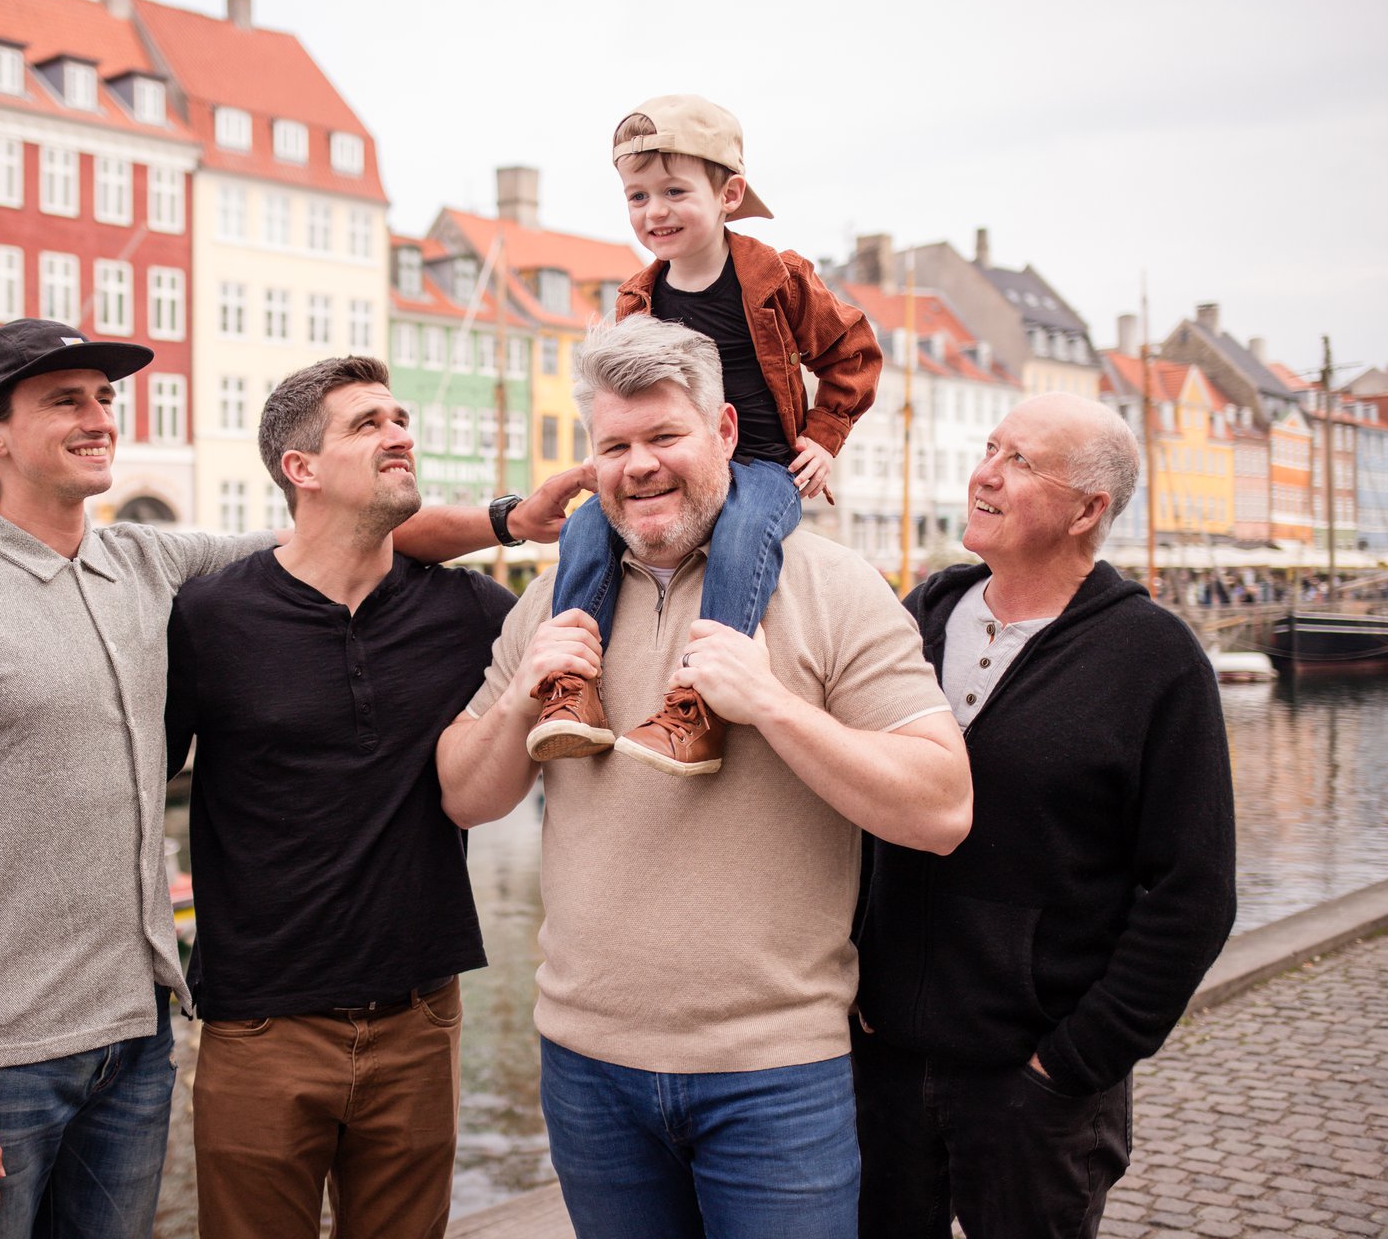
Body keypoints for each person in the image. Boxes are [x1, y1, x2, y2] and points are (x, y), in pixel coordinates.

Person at [0, 318, 577, 1238]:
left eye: (104, 398)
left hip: (135, 1035)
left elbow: (342, 527)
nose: (99, 416)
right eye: (65, 401)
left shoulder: (147, 565)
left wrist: (511, 521)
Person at [438, 315, 972, 1238]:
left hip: (774, 1071)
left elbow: (943, 807)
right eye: (615, 446)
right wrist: (523, 698)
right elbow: (465, 796)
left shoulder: (832, 586)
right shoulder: (554, 600)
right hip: (587, 1064)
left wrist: (772, 706)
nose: (639, 466)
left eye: (664, 436)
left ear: (725, 431)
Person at [851, 393, 1238, 1239]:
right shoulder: (919, 619)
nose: (985, 473)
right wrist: (858, 980)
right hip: (885, 1059)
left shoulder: (1153, 658)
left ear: (1087, 510)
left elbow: (1193, 892)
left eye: (1020, 461)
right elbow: (853, 809)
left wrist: (1072, 1061)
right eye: (990, 448)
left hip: (1033, 1083)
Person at [165, 357, 511, 1239]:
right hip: (259, 1024)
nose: (399, 435)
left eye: (400, 420)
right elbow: (127, 789)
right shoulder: (208, 618)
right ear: (301, 468)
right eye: (367, 424)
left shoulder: (471, 613)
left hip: (420, 1017)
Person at [532, 95, 882, 779]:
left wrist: (824, 435)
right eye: (637, 196)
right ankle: (572, 687)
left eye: (674, 192)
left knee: (744, 531)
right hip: (675, 463)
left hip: (762, 464)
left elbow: (853, 349)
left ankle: (699, 706)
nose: (654, 212)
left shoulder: (777, 278)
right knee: (585, 527)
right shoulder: (638, 298)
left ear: (729, 195)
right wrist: (619, 456)